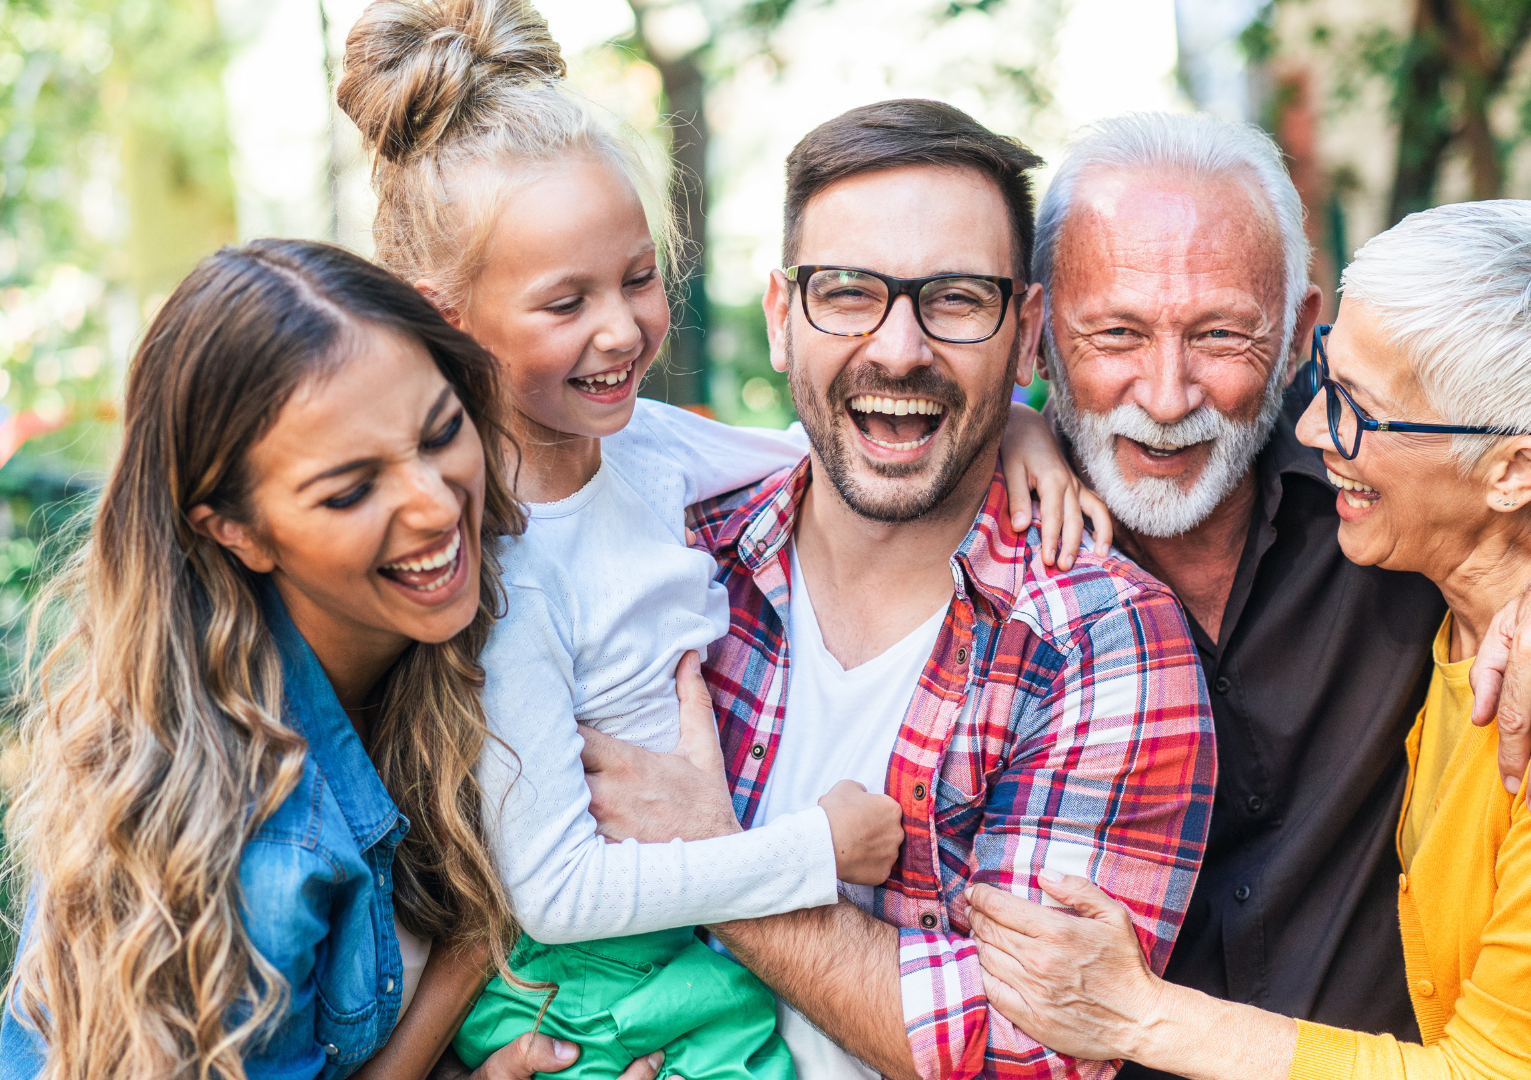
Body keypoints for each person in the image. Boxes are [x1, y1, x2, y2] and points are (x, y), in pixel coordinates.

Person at [332, 9, 1112, 1079]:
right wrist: (811, 852)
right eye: (565, 302)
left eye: (636, 279)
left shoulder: (646, 448)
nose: (621, 330)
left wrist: (1015, 422)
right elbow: (552, 891)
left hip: (681, 950)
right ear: (447, 319)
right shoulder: (499, 569)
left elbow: (832, 442)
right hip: (589, 982)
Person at [965, 198, 1531, 1080]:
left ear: (1515, 471)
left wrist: (1141, 1015)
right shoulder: (1460, 614)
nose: (1309, 430)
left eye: (1356, 411)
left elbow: (1493, 1072)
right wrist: (1019, 425)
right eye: (1326, 381)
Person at [576, 99, 1216, 1080]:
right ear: (782, 318)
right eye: (847, 293)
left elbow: (1021, 1053)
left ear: (1026, 334)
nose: (899, 348)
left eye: (955, 298)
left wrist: (707, 859)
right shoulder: (668, 555)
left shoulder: (1100, 641)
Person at [0, 239, 529, 1080]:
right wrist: (473, 952)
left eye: (440, 432)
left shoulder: (449, 618)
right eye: (350, 491)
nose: (434, 505)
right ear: (235, 531)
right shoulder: (256, 844)